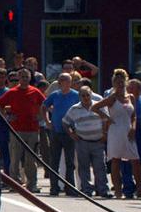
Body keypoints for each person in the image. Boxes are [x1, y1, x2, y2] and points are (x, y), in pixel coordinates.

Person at [92, 69, 141, 199]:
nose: (120, 84)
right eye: (117, 82)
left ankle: (139, 190)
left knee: (135, 160)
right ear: (113, 83)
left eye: (122, 82)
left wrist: (133, 128)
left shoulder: (130, 97)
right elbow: (94, 107)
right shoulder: (112, 98)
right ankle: (118, 191)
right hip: (115, 130)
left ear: (125, 82)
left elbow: (133, 116)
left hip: (128, 131)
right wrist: (107, 118)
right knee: (116, 160)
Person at [0, 68, 45, 192]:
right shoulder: (12, 92)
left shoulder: (35, 91)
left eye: (26, 77)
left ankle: (32, 184)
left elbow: (44, 104)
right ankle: (15, 184)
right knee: (15, 158)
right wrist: (6, 117)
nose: (24, 79)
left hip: (32, 129)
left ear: (30, 78)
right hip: (16, 130)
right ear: (18, 78)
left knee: (31, 159)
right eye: (22, 77)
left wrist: (41, 116)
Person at [63, 86, 111, 197]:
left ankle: (103, 190)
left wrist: (105, 134)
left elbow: (106, 120)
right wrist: (71, 134)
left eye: (87, 95)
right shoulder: (74, 109)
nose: (85, 97)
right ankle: (86, 190)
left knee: (100, 167)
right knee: (83, 168)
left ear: (91, 95)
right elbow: (65, 122)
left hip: (98, 142)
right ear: (79, 96)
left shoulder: (99, 106)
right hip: (82, 142)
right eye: (83, 95)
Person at [41, 73, 80, 196]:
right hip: (56, 131)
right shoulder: (54, 95)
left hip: (70, 132)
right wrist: (47, 121)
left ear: (70, 82)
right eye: (62, 80)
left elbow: (81, 109)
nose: (64, 82)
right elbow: (44, 107)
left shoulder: (76, 95)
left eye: (67, 80)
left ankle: (70, 187)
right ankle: (54, 187)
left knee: (70, 162)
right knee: (54, 161)